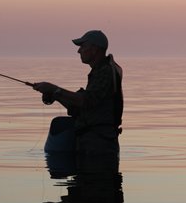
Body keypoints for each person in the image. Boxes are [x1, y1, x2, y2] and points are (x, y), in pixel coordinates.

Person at [32, 30, 123, 166]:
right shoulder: (101, 70)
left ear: (94, 49)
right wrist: (56, 95)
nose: (79, 51)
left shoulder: (106, 72)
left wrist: (55, 89)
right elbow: (82, 107)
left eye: (83, 46)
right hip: (93, 145)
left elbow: (85, 101)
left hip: (99, 148)